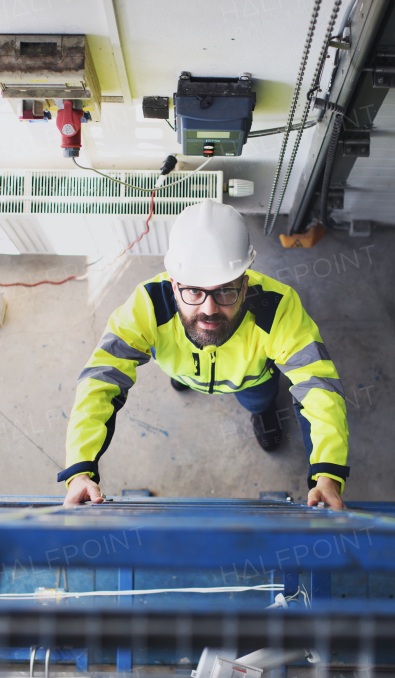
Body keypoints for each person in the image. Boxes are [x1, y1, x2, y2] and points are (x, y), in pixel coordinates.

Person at [59, 200, 349, 508]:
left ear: (245, 283)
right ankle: (186, 379)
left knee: (261, 399)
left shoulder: (278, 309)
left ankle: (262, 412)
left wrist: (327, 475)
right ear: (174, 285)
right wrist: (79, 470)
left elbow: (317, 384)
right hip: (182, 367)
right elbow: (101, 379)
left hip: (250, 381)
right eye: (194, 291)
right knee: (178, 375)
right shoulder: (147, 306)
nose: (209, 310)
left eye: (226, 290)